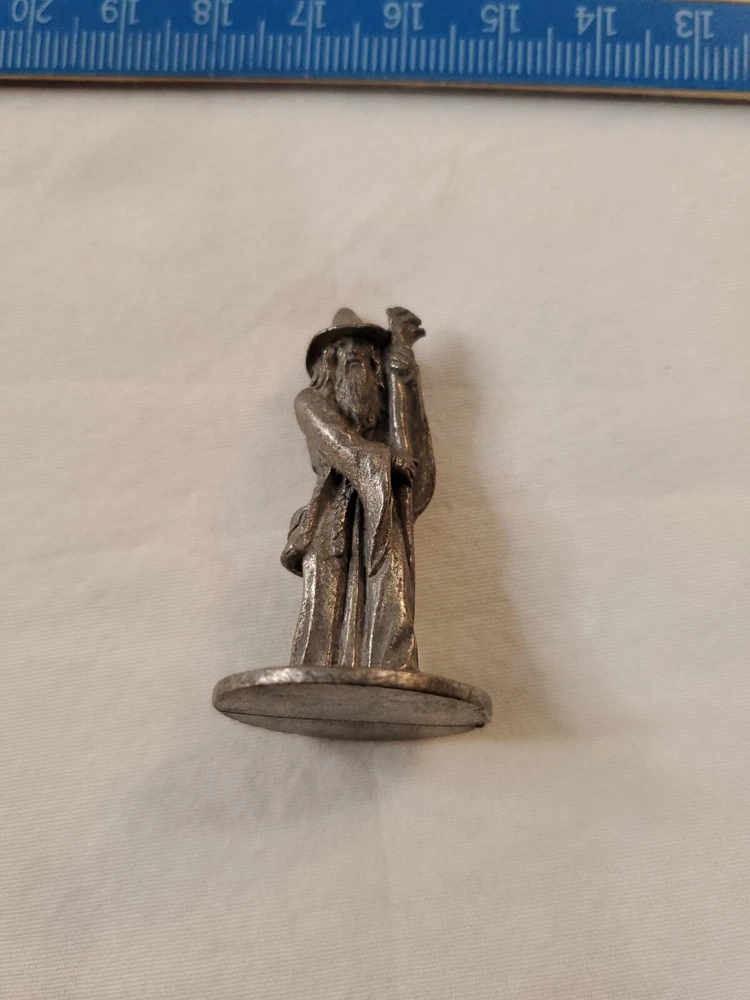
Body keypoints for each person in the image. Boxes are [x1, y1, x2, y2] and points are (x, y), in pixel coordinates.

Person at [281, 307, 435, 673]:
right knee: (325, 609)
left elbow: (413, 456)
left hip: (382, 506)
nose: (356, 359)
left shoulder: (380, 410)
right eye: (346, 353)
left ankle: (390, 671)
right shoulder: (309, 402)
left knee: (392, 591)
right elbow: (340, 443)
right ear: (329, 362)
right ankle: (318, 678)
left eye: (364, 356)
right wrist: (387, 459)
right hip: (330, 516)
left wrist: (405, 380)